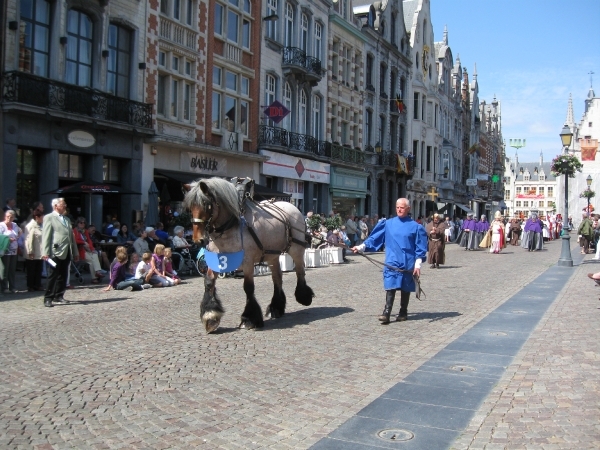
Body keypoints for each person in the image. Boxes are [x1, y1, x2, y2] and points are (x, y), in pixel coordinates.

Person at [351, 198, 427, 324]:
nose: (399, 209)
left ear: (408, 209)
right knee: (390, 286)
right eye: (397, 207)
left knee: (405, 288)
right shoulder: (388, 224)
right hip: (392, 261)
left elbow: (420, 248)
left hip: (407, 262)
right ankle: (387, 312)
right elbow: (374, 238)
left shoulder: (416, 227)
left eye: (402, 207)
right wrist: (360, 247)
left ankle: (403, 312)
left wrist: (418, 264)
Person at [41, 198, 79, 307]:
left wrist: (75, 252)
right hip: (55, 251)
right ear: (56, 206)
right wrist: (45, 251)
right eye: (63, 204)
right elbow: (46, 235)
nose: (65, 206)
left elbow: (71, 237)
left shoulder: (66, 219)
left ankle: (59, 295)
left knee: (63, 274)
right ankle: (48, 297)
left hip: (66, 250)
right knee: (52, 275)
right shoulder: (49, 217)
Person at [73, 217, 105, 284]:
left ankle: (97, 272)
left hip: (88, 249)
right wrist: (83, 242)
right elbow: (75, 240)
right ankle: (94, 277)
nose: (82, 224)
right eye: (81, 223)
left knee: (95, 254)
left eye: (84, 223)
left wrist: (92, 249)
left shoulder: (86, 231)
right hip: (80, 250)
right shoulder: (75, 231)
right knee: (91, 260)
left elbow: (89, 241)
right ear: (77, 223)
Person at [0, 209, 23, 293]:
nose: (9, 218)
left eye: (11, 217)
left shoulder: (15, 225)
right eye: (7, 216)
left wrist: (17, 238)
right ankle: (4, 287)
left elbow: (20, 231)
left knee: (12, 269)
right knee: (5, 269)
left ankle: (12, 287)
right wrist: (8, 238)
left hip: (14, 250)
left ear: (13, 218)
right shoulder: (1, 225)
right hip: (5, 250)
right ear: (5, 216)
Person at [24, 211, 44, 292]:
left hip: (39, 251)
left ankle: (37, 284)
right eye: (42, 217)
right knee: (31, 270)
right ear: (37, 217)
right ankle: (31, 285)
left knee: (38, 269)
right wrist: (30, 251)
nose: (43, 219)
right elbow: (29, 239)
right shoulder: (31, 226)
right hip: (33, 252)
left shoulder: (40, 226)